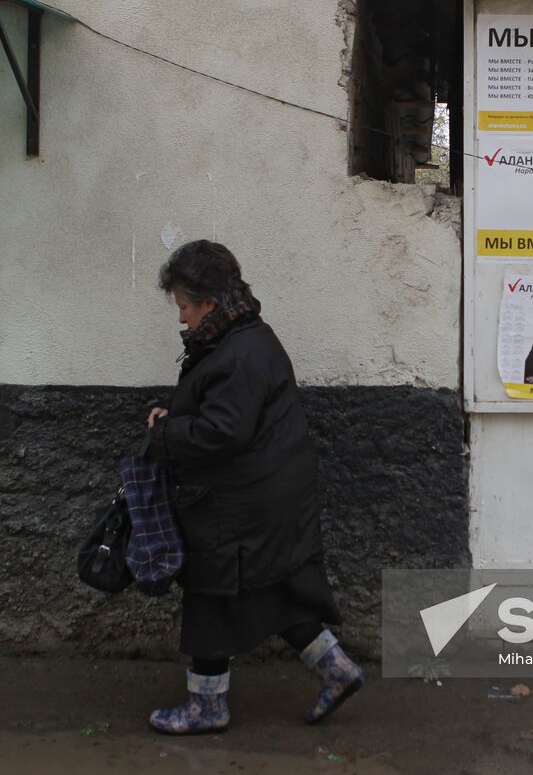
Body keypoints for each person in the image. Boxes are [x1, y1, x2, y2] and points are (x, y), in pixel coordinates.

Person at [144, 240, 362, 734]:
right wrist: (175, 415)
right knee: (271, 593)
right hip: (261, 494)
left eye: (183, 306)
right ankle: (336, 669)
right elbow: (222, 411)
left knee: (210, 592)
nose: (181, 319)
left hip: (241, 502)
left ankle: (207, 706)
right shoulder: (238, 338)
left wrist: (166, 432)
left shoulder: (238, 350)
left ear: (209, 303)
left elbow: (224, 430)